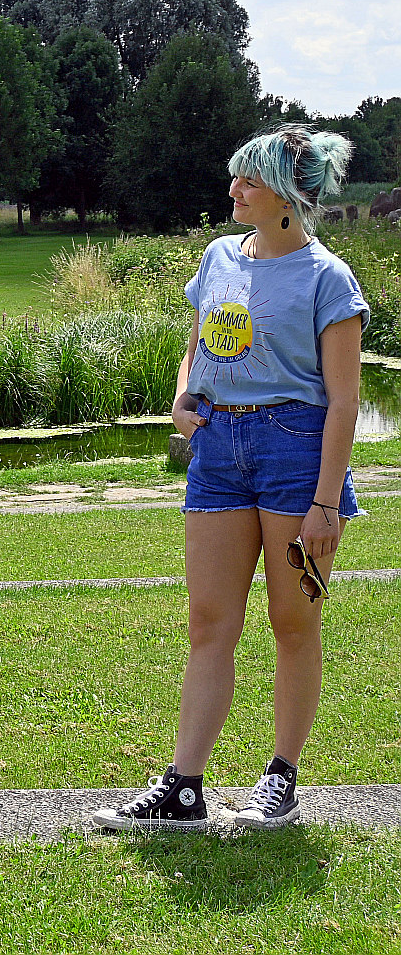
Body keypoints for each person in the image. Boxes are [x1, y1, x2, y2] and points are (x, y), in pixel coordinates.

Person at [94, 125, 363, 833]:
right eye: (236, 176)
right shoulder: (218, 257)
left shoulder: (328, 278)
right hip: (218, 451)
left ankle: (282, 778)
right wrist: (182, 399)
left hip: (296, 455)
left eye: (249, 179)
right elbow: (196, 353)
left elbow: (344, 401)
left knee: (292, 622)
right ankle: (183, 789)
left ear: (286, 195)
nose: (234, 189)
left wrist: (326, 503)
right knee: (209, 621)